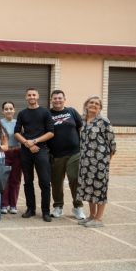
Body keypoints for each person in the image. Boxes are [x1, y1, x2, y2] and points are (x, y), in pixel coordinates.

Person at [14, 88, 55, 222]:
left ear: (38, 96)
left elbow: (51, 132)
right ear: (26, 97)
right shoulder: (22, 113)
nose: (31, 97)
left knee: (45, 182)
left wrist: (35, 141)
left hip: (41, 150)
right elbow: (16, 132)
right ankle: (30, 209)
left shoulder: (45, 112)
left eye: (33, 95)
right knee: (28, 181)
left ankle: (45, 211)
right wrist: (27, 143)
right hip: (26, 151)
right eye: (29, 95)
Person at [77, 96, 116, 228]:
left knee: (99, 189)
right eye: (91, 102)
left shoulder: (104, 121)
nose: (93, 105)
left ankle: (98, 219)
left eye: (96, 103)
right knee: (89, 188)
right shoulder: (83, 121)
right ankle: (92, 216)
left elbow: (112, 144)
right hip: (85, 162)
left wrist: (106, 162)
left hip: (100, 162)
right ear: (86, 105)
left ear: (100, 107)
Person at [48, 90, 86, 220]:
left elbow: (81, 128)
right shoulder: (47, 114)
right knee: (56, 181)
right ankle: (58, 206)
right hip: (56, 154)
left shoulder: (71, 111)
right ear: (51, 100)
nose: (57, 100)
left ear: (64, 99)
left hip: (74, 152)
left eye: (60, 98)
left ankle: (78, 207)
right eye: (55, 98)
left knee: (74, 178)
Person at [0, 101, 21, 215]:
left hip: (17, 152)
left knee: (15, 179)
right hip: (4, 153)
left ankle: (13, 204)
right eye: (6, 109)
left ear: (14, 110)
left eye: (11, 108)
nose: (9, 111)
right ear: (3, 111)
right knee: (4, 179)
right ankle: (4, 204)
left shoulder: (18, 122)